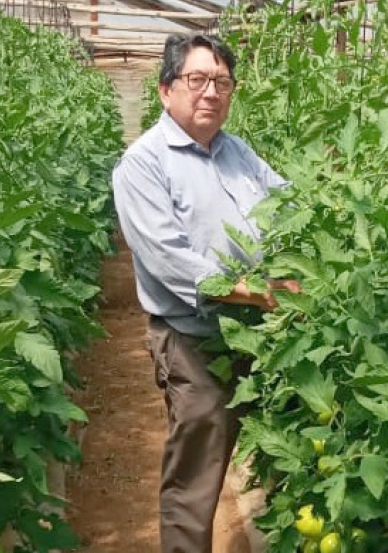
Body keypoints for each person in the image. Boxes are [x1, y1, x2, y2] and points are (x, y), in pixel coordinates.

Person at [111, 33, 299, 553]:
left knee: (281, 451)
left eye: (221, 82)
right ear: (166, 90)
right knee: (196, 476)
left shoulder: (236, 150)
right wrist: (262, 291)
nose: (211, 92)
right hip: (195, 344)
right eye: (197, 80)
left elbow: (289, 202)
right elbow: (172, 263)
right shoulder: (142, 165)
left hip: (262, 335)